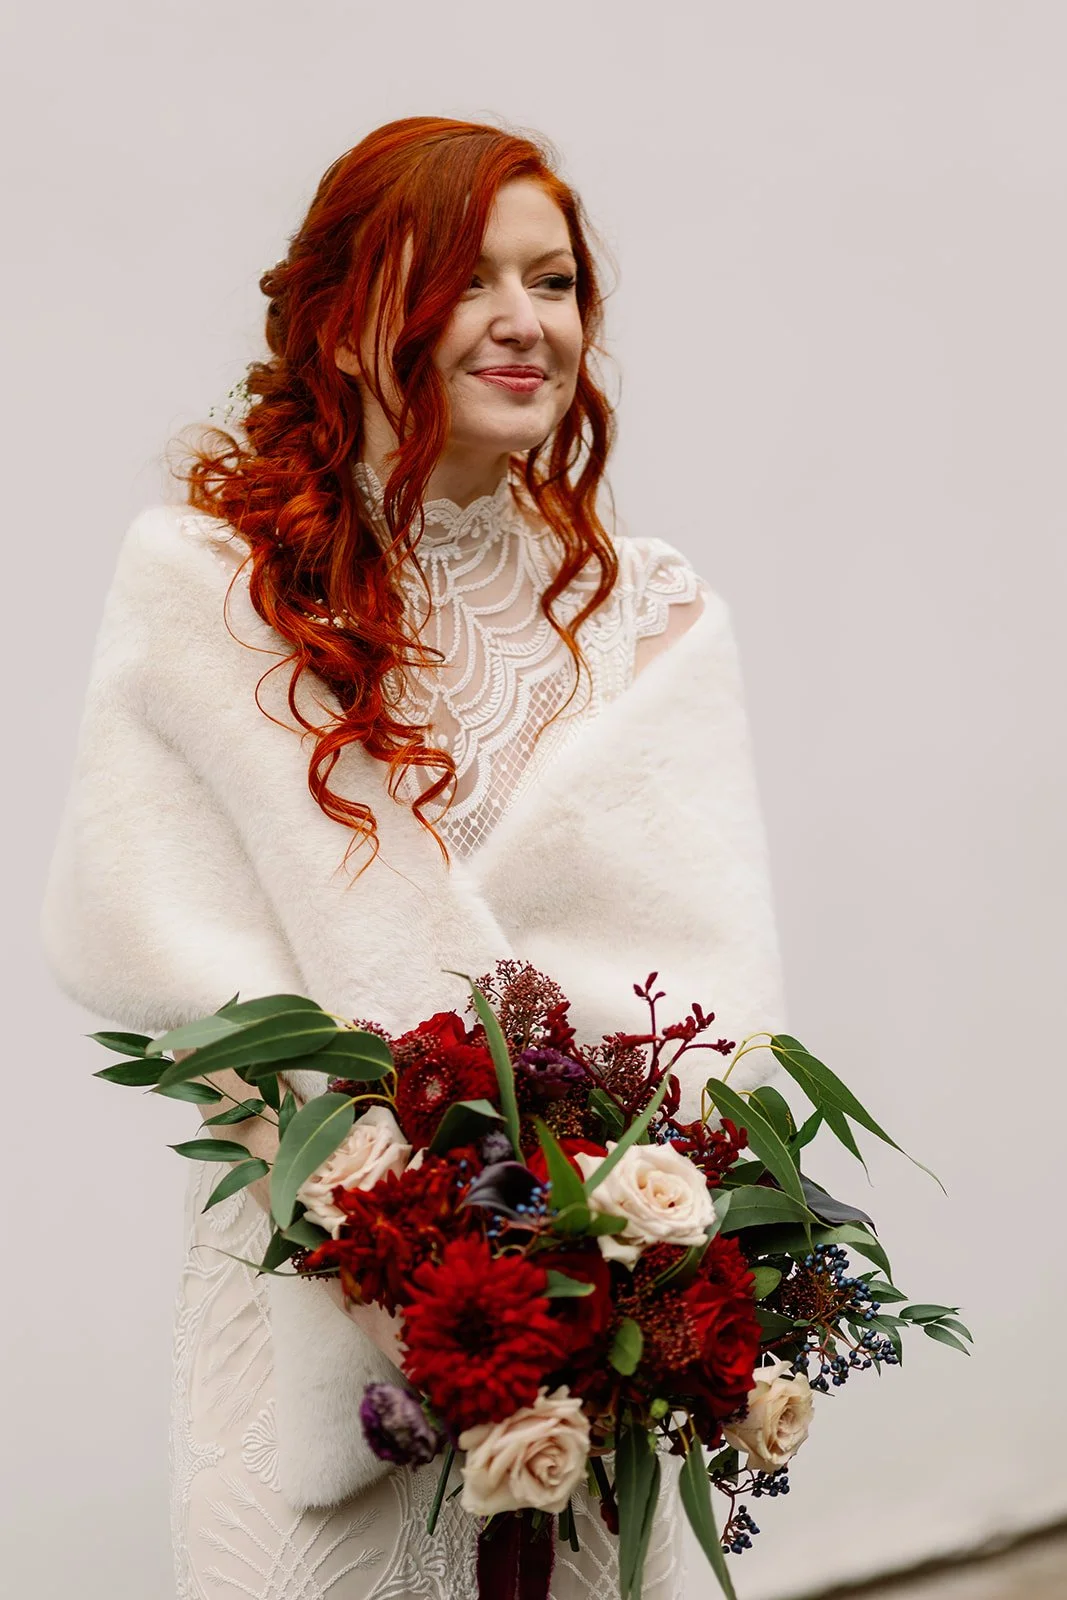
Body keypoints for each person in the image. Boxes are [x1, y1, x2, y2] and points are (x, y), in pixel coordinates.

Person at [40, 115, 786, 1598]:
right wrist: (384, 1227)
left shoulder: (648, 620)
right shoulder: (209, 587)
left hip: (587, 1330)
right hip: (312, 1279)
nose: (525, 322)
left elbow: (710, 986)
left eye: (556, 281)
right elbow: (146, 940)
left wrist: (602, 1264)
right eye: (467, 279)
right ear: (349, 308)